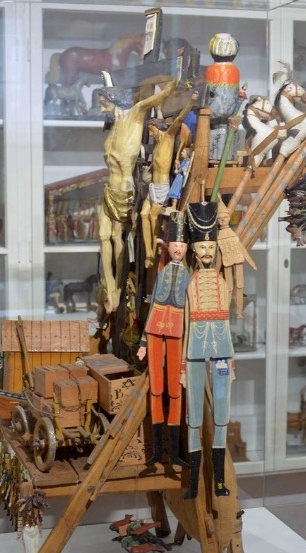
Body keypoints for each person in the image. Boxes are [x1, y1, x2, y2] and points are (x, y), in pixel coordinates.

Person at [98, 75, 177, 313]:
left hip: (123, 190)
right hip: (108, 188)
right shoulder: (114, 125)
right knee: (103, 236)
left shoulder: (133, 115)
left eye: (104, 102)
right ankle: (109, 284)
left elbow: (155, 98)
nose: (101, 107)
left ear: (114, 101)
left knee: (116, 238)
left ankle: (119, 286)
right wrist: (108, 81)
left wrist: (171, 82)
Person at [182, 201, 234, 499]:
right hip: (195, 350)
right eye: (201, 248)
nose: (206, 253)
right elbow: (188, 324)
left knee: (223, 415)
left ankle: (218, 481)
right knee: (194, 417)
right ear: (193, 251)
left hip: (223, 349)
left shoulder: (221, 282)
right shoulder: (190, 284)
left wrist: (232, 363)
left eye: (210, 249)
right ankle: (193, 483)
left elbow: (226, 323)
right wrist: (181, 368)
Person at [137, 212, 190, 468]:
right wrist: (144, 343)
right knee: (156, 388)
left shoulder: (187, 275)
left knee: (174, 390)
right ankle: (158, 451)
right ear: (167, 248)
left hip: (178, 330)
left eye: (181, 246)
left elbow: (190, 312)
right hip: (156, 328)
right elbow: (153, 305)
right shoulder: (163, 271)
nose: (178, 250)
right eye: (174, 246)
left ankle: (175, 451)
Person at [142, 91, 198, 268]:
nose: (151, 134)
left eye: (152, 131)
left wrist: (191, 102)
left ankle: (151, 253)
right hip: (152, 187)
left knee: (151, 216)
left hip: (162, 189)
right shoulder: (159, 143)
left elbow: (179, 119)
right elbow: (160, 120)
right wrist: (158, 108)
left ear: (158, 129)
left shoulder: (168, 137)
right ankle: (149, 250)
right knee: (143, 214)